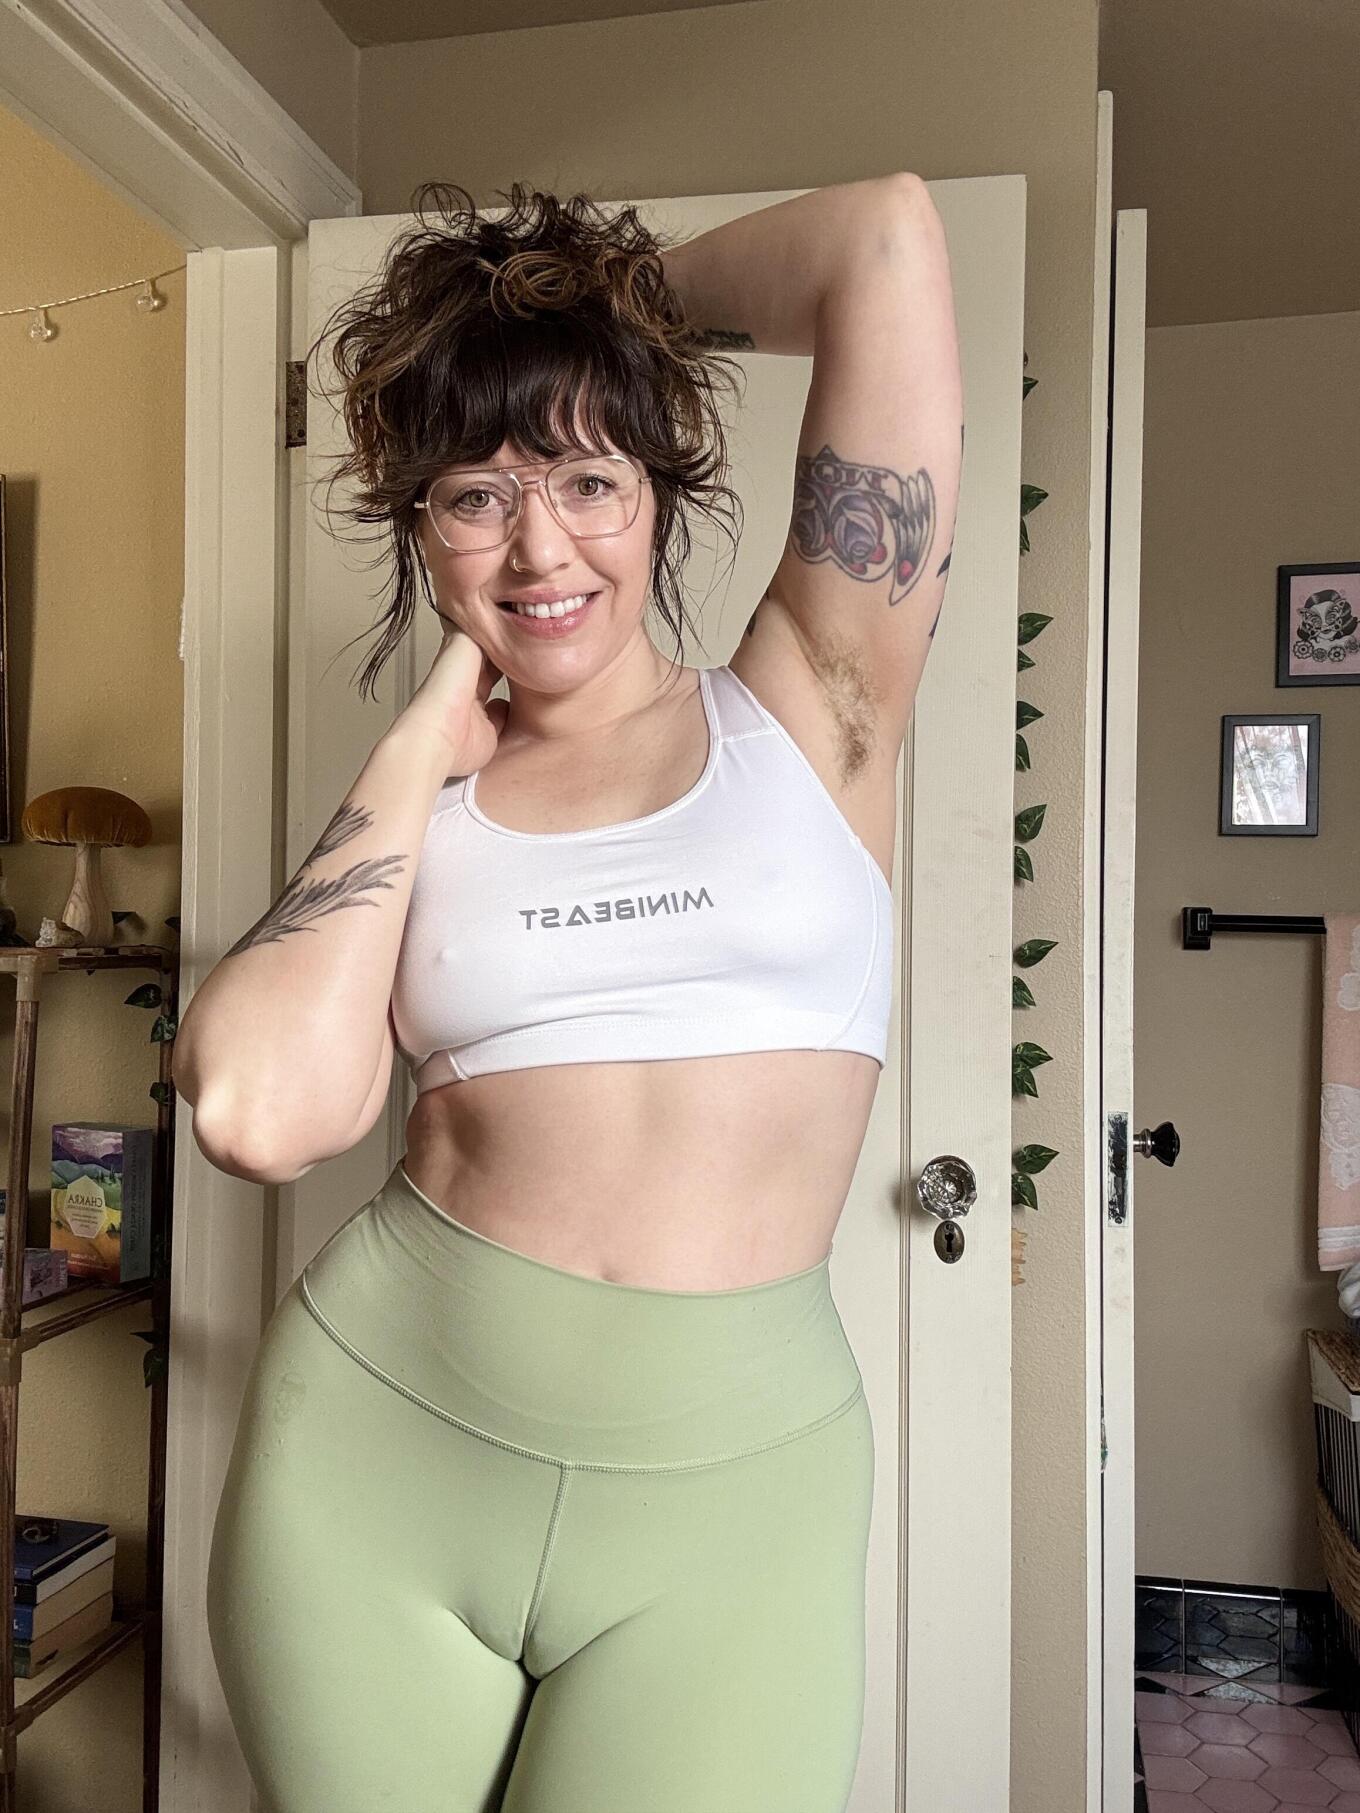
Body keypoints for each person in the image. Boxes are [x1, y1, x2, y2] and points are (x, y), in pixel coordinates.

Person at [174, 177, 962, 1813]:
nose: (541, 549)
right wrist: (415, 750)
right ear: (420, 528)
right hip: (378, 1464)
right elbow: (256, 1112)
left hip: (734, 1508)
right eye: (477, 495)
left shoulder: (817, 700)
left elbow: (883, 238)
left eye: (592, 477)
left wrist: (595, 313)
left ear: (659, 490)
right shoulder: (421, 816)